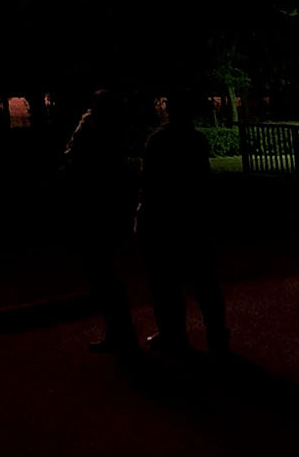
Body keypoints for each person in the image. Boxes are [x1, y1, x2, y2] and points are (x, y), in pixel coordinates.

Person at [137, 89, 230, 356]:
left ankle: (173, 335)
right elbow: (203, 181)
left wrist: (144, 215)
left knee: (166, 283)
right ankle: (217, 335)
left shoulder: (158, 140)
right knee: (205, 282)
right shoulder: (196, 139)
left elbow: (150, 183)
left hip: (164, 220)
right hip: (193, 218)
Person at [62, 90, 138, 356]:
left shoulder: (94, 130)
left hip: (94, 210)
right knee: (106, 273)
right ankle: (120, 331)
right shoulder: (111, 133)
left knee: (103, 273)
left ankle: (120, 333)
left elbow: (75, 156)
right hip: (104, 209)